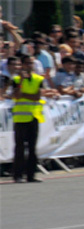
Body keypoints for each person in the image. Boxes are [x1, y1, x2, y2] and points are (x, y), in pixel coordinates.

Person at [11, 55, 45, 183]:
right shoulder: (16, 79)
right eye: (27, 63)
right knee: (19, 147)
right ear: (23, 65)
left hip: (33, 116)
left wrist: (24, 95)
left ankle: (31, 175)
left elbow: (37, 96)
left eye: (31, 63)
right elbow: (16, 95)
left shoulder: (38, 79)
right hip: (20, 117)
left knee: (32, 147)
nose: (29, 66)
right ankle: (18, 175)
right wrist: (21, 82)